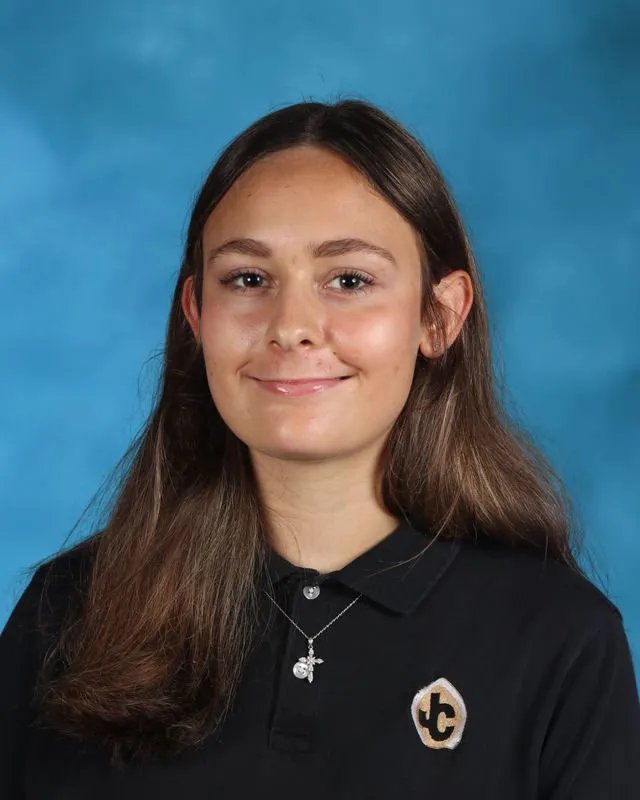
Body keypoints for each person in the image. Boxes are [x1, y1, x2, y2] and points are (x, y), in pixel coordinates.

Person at [1, 98, 639, 799]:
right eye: (248, 280)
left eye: (349, 281)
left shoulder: (557, 640)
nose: (292, 327)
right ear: (196, 316)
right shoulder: (66, 615)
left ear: (439, 317)